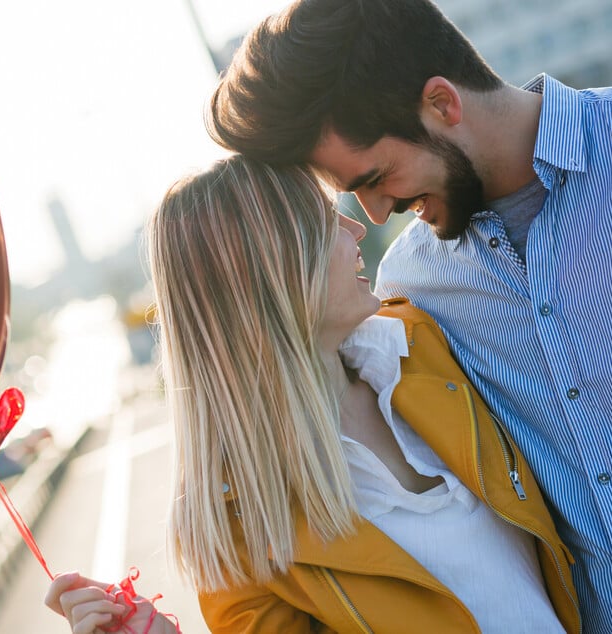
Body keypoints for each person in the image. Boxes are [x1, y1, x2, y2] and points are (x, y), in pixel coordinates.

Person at [206, 1, 612, 632]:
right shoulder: (410, 288)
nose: (376, 212)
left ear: (442, 102)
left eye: (377, 176)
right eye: (351, 192)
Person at [45, 154, 579, 633]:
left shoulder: (426, 340)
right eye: (325, 220)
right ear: (271, 271)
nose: (355, 227)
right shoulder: (239, 531)